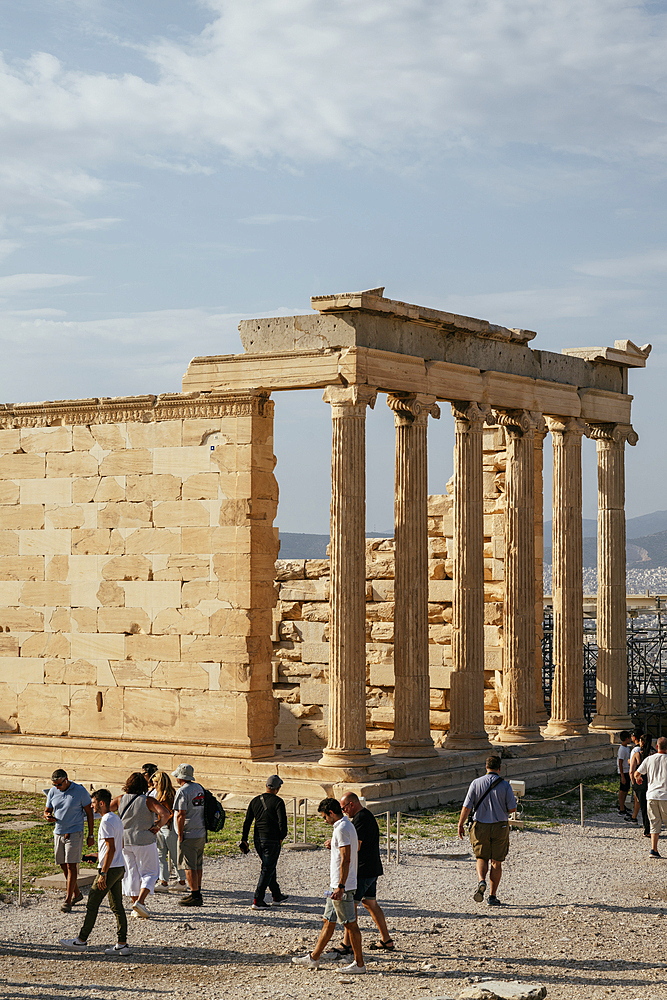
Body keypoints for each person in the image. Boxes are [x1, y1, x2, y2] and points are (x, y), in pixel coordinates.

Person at [292, 797, 365, 974]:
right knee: (328, 921)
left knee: (350, 924)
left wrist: (341, 886)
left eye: (325, 817)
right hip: (337, 885)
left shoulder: (341, 829)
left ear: (332, 813)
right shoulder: (346, 826)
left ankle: (360, 964)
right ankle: (314, 957)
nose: (325, 820)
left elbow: (346, 859)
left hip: (343, 886)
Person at [60, 788, 130, 956]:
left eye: (93, 803)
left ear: (101, 803)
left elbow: (111, 848)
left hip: (109, 869)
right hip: (119, 867)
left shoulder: (106, 821)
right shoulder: (116, 818)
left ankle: (81, 940)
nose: (91, 807)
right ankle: (122, 944)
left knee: (92, 903)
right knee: (117, 906)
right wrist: (99, 855)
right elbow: (115, 846)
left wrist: (103, 873)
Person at [336, 792, 393, 953]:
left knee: (351, 905)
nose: (344, 811)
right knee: (370, 903)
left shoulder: (360, 818)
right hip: (372, 867)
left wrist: (337, 847)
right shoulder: (367, 815)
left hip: (363, 869)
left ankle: (347, 944)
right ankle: (386, 940)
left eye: (344, 808)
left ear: (351, 804)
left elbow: (357, 846)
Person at [458, 755, 517, 907]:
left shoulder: (475, 783)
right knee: (497, 861)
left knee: (481, 857)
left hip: (480, 825)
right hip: (500, 826)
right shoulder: (505, 785)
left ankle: (481, 881)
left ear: (486, 767)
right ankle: (492, 896)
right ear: (499, 768)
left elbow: (467, 807)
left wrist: (460, 824)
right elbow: (512, 809)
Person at [111, 772, 169, 919]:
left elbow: (105, 811)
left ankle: (136, 905)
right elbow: (165, 814)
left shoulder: (120, 799)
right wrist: (158, 826)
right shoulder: (148, 800)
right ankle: (140, 902)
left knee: (131, 873)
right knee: (150, 872)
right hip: (144, 839)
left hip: (125, 841)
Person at [43, 768, 95, 913]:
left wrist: (91, 835)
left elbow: (89, 813)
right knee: (63, 865)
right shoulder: (53, 792)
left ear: (66, 780)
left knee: (72, 866)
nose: (56, 787)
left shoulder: (80, 791)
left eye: (59, 784)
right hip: (58, 832)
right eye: (54, 785)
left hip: (75, 832)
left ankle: (68, 899)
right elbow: (47, 810)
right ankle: (77, 893)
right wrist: (47, 815)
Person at [241, 774, 289, 909]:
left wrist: (244, 839)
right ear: (278, 788)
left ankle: (277, 895)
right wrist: (281, 837)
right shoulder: (278, 802)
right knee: (267, 868)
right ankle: (258, 899)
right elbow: (282, 823)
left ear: (266, 786)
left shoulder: (255, 800)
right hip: (272, 839)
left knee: (269, 866)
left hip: (258, 840)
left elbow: (247, 822)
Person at [172, 763, 206, 907]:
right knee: (198, 863)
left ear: (180, 777)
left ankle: (195, 895)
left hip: (188, 832)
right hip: (200, 830)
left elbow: (181, 814)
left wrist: (180, 834)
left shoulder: (182, 791)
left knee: (188, 865)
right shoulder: (199, 788)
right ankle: (197, 890)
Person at [151, 770, 187, 893]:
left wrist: (160, 822)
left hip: (167, 827)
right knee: (163, 855)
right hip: (164, 827)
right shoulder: (167, 794)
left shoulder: (167, 796)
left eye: (155, 782)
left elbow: (171, 813)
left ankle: (180, 881)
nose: (153, 785)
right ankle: (165, 881)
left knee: (171, 855)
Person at [634, 735, 667, 859]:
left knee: (654, 823)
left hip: (652, 795)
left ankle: (654, 849)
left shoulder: (649, 759)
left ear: (657, 746)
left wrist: (638, 778)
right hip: (665, 795)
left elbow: (637, 773)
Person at [617, 730, 633, 816]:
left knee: (626, 789)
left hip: (627, 770)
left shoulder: (626, 747)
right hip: (624, 771)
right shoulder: (622, 749)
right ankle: (621, 808)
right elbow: (620, 762)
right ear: (627, 738)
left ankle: (623, 805)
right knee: (622, 790)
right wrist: (622, 776)